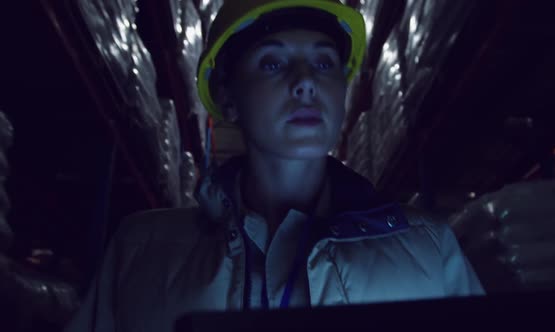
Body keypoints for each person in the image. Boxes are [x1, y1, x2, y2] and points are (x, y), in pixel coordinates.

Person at [64, 0, 484, 331]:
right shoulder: (141, 252)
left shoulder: (430, 250)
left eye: (323, 63)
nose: (305, 81)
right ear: (228, 95)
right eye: (272, 62)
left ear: (342, 89)